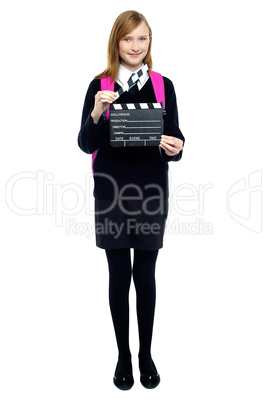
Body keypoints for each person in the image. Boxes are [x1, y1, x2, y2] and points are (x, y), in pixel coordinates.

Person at [78, 10, 184, 390]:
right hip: (111, 192)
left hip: (152, 192)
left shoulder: (162, 85)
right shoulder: (100, 85)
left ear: (150, 41)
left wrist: (176, 146)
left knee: (147, 276)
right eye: (128, 39)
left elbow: (175, 139)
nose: (135, 46)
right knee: (119, 276)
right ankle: (123, 353)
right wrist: (96, 111)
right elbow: (85, 143)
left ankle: (146, 353)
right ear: (116, 42)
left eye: (142, 38)